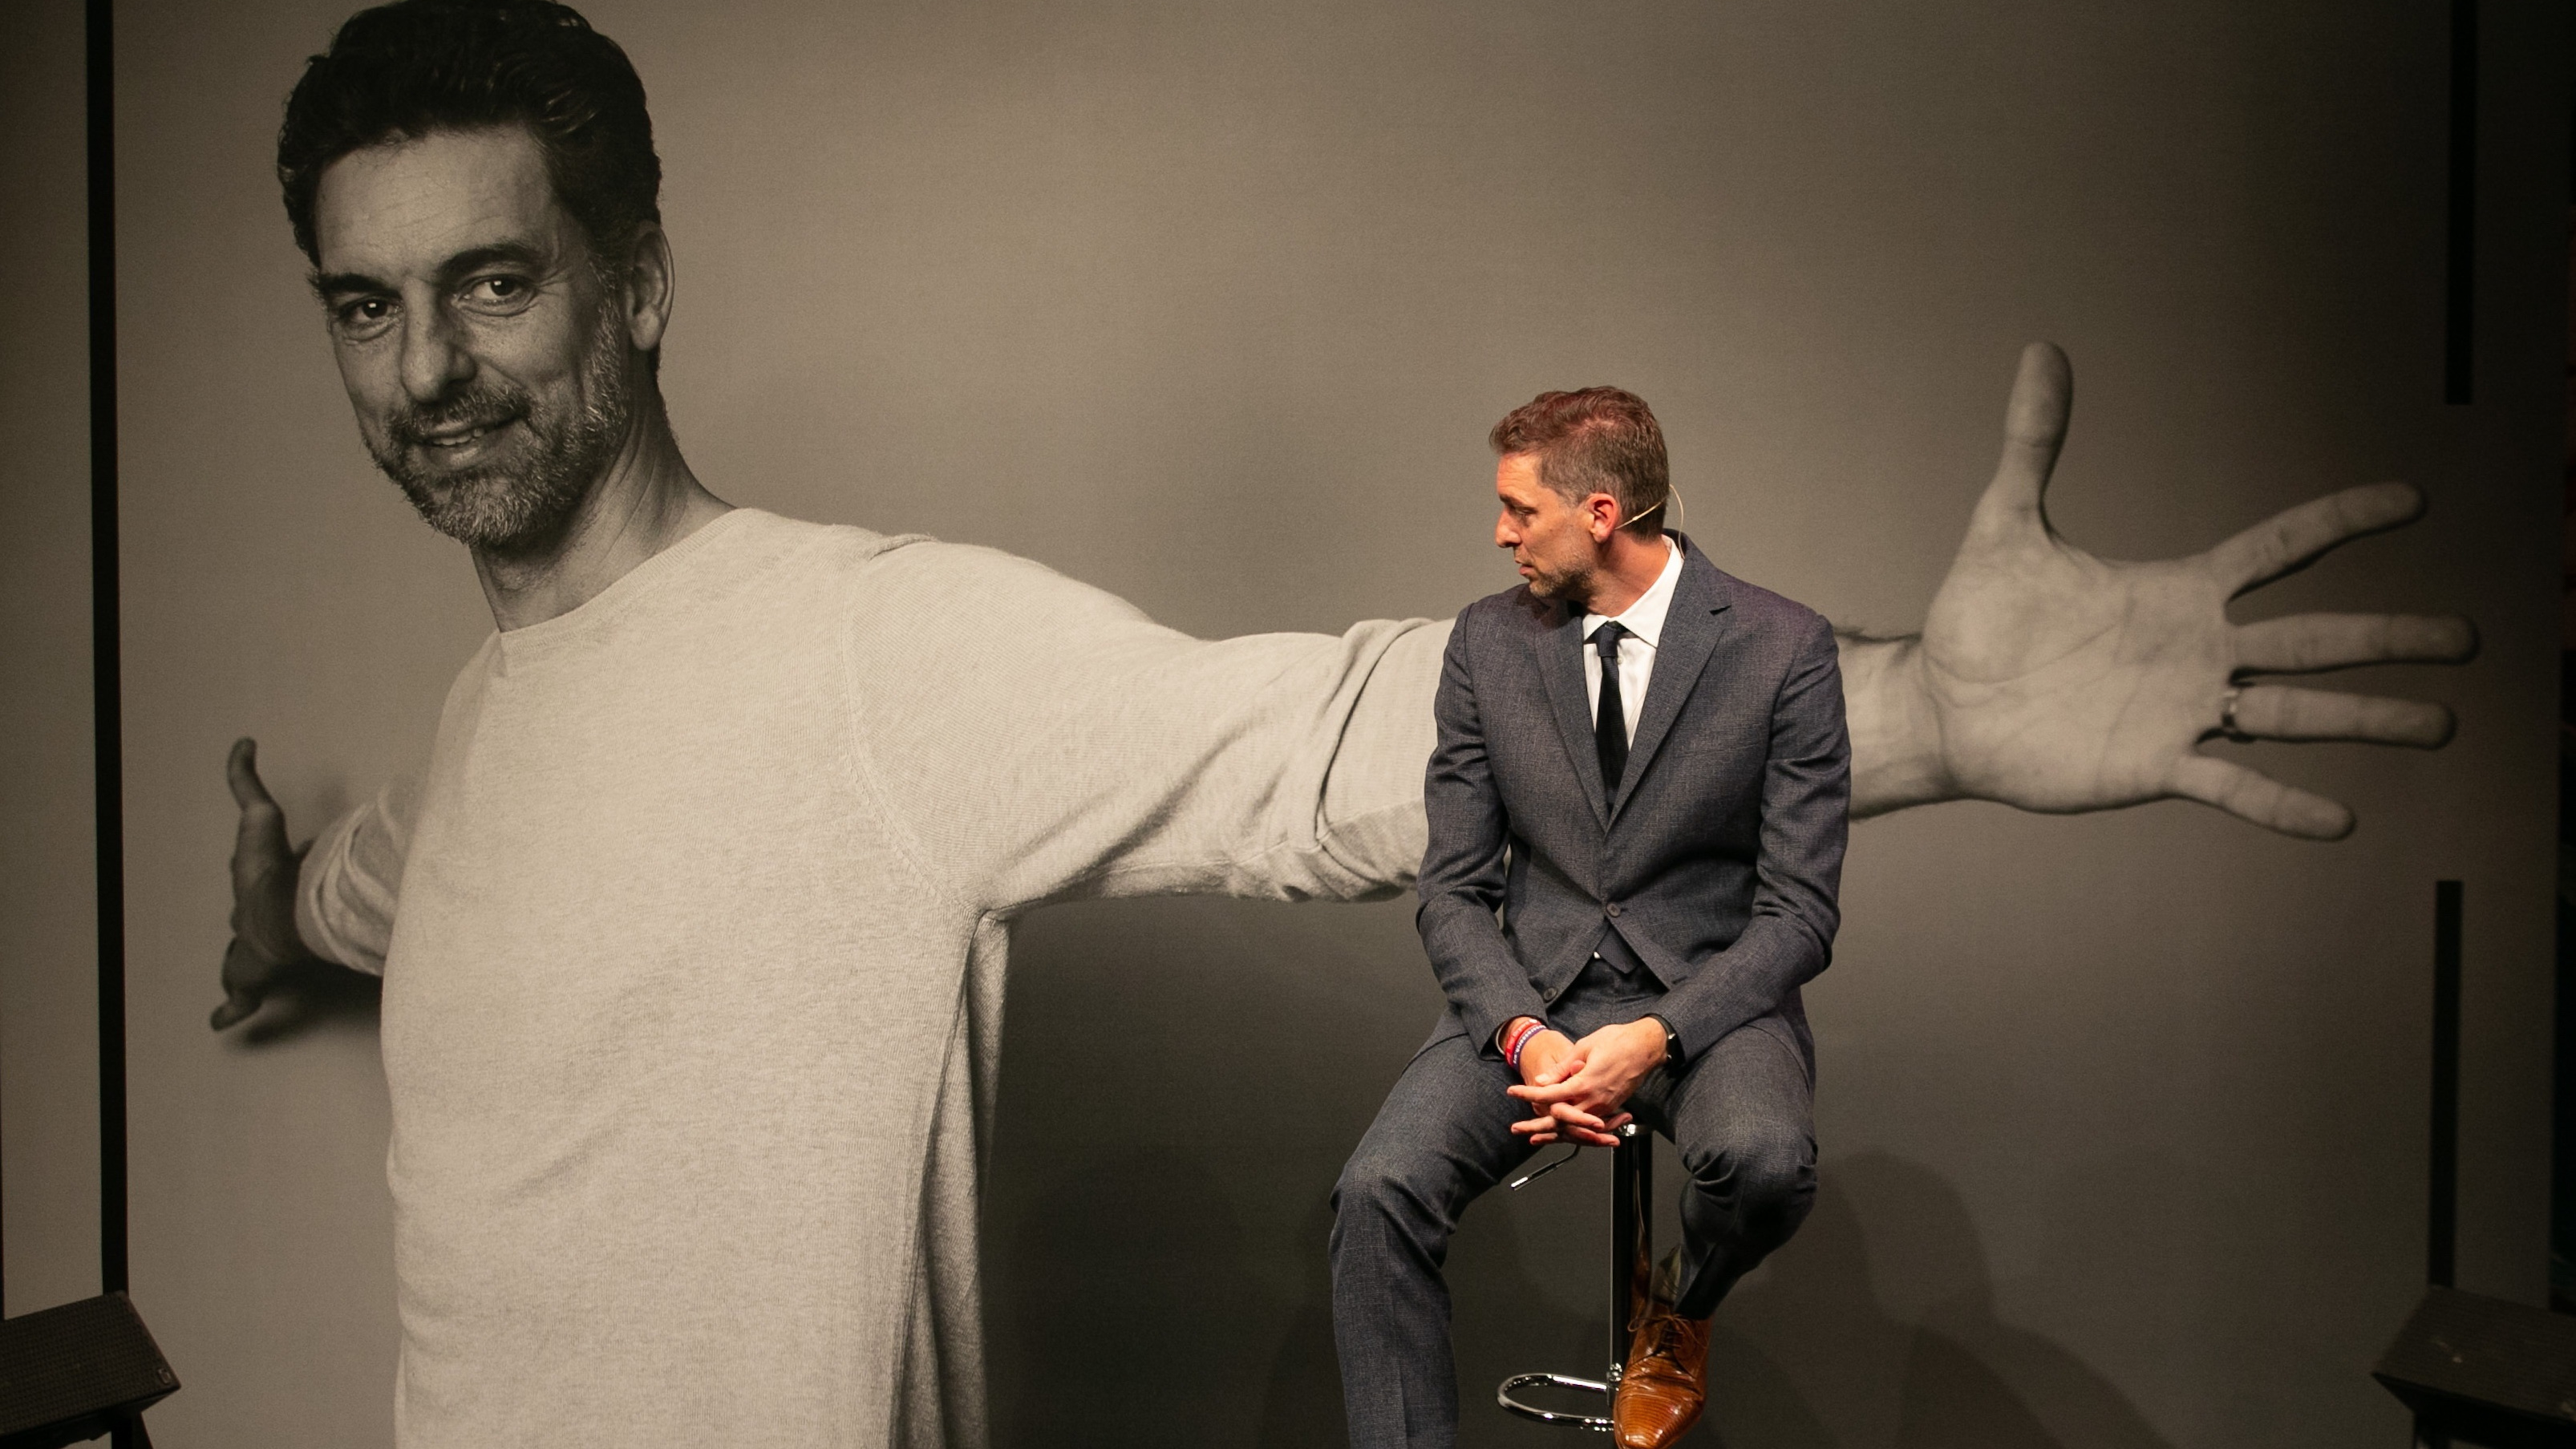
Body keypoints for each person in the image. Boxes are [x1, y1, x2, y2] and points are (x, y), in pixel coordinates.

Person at [209, 2, 2478, 1445]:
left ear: (632, 285)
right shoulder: (474, 753)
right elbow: (378, 895)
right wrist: (278, 909)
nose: (429, 371)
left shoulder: (860, 659)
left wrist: (1899, 708)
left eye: (490, 284)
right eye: (365, 308)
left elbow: (1334, 740)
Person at [1333, 388, 1845, 1449]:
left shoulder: (1782, 645)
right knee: (1377, 1192)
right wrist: (1524, 1033)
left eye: (1521, 510)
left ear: (1601, 514)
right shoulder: (1486, 642)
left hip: (1706, 1003)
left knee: (1763, 1163)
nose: (1501, 533)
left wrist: (1658, 1034)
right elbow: (1453, 887)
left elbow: (1799, 913)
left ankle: (1680, 1313)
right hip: (1536, 998)